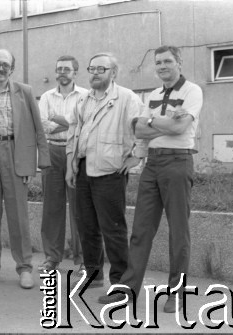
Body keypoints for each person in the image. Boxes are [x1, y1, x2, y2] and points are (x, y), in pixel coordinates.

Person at [98, 46, 203, 313]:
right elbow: (138, 129)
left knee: (179, 232)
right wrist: (159, 124)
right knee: (141, 231)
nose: (162, 66)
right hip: (152, 164)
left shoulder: (192, 91)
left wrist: (150, 123)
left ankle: (176, 294)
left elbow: (180, 128)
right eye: (158, 62)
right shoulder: (154, 94)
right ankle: (127, 290)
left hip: (178, 162)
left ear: (179, 62)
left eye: (168, 61)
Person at [65, 52, 147, 290]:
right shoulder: (83, 100)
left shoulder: (126, 98)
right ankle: (94, 274)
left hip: (111, 171)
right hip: (83, 169)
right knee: (86, 226)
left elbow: (141, 126)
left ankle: (120, 282)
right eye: (92, 69)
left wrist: (137, 156)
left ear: (114, 72)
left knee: (113, 229)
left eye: (102, 69)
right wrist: (71, 163)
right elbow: (73, 131)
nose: (96, 74)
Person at [0, 49, 51, 289]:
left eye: (5, 64)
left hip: (15, 152)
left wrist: (38, 163)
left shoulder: (24, 92)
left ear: (12, 69)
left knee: (18, 216)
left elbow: (38, 128)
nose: (0, 68)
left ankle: (24, 267)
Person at [38, 55, 87, 274]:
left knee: (81, 208)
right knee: (52, 208)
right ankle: (52, 257)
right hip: (53, 152)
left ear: (75, 72)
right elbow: (43, 125)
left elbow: (86, 125)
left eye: (67, 69)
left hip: (78, 153)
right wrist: (70, 123)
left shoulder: (86, 96)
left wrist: (58, 119)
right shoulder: (47, 96)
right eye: (59, 69)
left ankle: (85, 258)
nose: (62, 72)